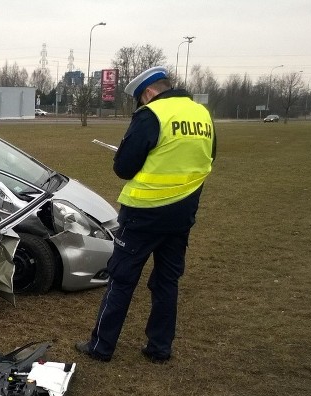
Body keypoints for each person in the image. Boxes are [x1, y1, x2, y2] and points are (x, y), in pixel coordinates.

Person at [76, 66, 216, 363]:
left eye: (141, 98)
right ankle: (159, 348)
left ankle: (101, 347)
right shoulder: (201, 114)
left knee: (121, 280)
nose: (141, 104)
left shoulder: (151, 114)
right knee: (167, 282)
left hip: (144, 215)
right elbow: (207, 157)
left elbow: (124, 167)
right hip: (182, 215)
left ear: (149, 93)